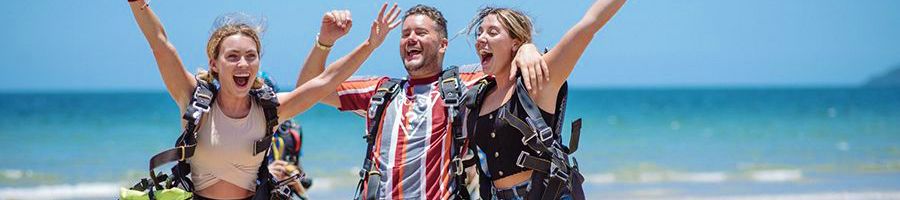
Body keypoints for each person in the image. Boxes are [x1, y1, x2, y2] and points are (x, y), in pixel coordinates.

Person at [127, 0, 398, 199]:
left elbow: (325, 82)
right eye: (232, 56)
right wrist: (138, 3)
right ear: (214, 64)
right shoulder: (193, 98)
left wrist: (369, 45)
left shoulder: (271, 110)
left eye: (250, 56)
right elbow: (160, 43)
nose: (242, 63)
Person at [298, 3, 548, 199]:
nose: (411, 39)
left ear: (443, 45)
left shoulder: (464, 83)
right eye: (405, 34)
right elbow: (307, 90)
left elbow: (507, 62)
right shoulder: (381, 91)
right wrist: (325, 42)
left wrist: (527, 48)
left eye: (420, 33)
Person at [463, 0, 627, 199]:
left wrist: (529, 48)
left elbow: (588, 26)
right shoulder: (478, 95)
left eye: (492, 32)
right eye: (479, 32)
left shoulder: (538, 80)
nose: (481, 38)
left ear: (515, 42)